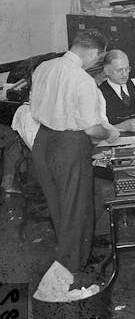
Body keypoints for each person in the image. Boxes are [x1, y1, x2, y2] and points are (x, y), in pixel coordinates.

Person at [29, 29, 120, 273]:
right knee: (76, 207)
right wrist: (109, 133)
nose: (96, 62)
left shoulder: (44, 67)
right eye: (98, 58)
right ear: (91, 52)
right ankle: (73, 267)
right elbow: (91, 129)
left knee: (57, 204)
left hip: (42, 140)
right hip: (69, 145)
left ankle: (66, 258)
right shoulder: (82, 80)